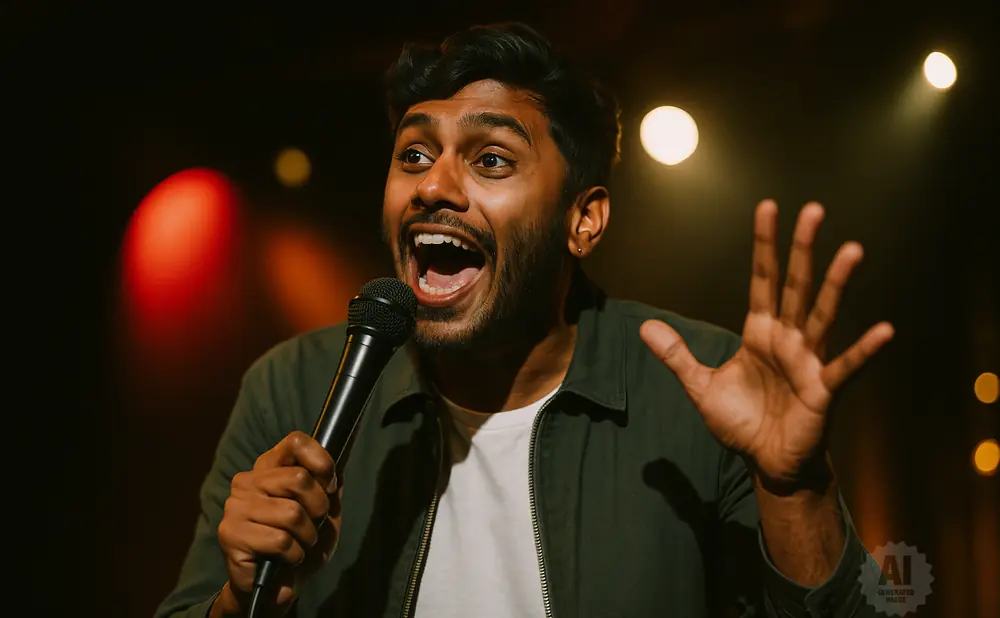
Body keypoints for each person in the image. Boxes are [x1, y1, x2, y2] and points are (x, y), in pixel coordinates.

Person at [155, 22, 894, 618]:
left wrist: (796, 487)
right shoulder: (293, 388)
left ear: (583, 220)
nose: (434, 186)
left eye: (493, 161)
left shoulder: (702, 396)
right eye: (413, 154)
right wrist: (238, 598)